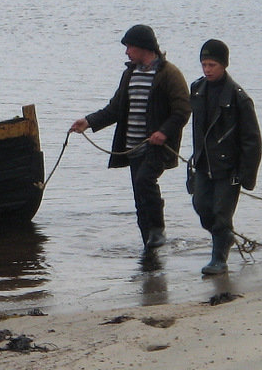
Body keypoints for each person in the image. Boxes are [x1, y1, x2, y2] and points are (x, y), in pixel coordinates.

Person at [70, 24, 191, 251]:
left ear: (143, 47)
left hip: (157, 147)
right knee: (139, 199)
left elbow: (183, 110)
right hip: (132, 147)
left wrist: (164, 132)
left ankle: (157, 230)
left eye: (129, 47)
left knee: (145, 181)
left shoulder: (169, 74)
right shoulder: (130, 73)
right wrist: (88, 122)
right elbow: (115, 109)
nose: (126, 52)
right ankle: (150, 250)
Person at [187, 39, 262, 276]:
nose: (207, 69)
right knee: (201, 207)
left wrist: (246, 175)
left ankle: (219, 259)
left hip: (229, 169)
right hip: (202, 164)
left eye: (212, 65)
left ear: (223, 65)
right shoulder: (197, 90)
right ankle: (225, 237)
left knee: (221, 212)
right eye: (204, 64)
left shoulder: (240, 98)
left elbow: (252, 140)